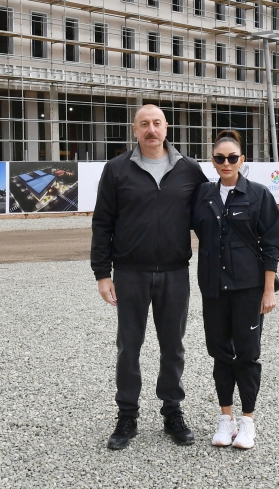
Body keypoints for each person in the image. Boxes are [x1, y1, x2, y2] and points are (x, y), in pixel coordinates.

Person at [91, 104, 208, 450]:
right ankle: (127, 416)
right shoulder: (116, 170)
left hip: (175, 272)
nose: (151, 129)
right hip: (131, 274)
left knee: (173, 347)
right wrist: (102, 273)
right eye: (144, 124)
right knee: (128, 348)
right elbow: (102, 223)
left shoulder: (189, 169)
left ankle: (172, 412)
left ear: (166, 128)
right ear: (135, 130)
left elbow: (208, 219)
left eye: (157, 123)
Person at [191, 129, 279, 449]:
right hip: (213, 288)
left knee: (247, 354)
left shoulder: (258, 194)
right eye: (220, 158)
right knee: (220, 354)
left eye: (232, 157)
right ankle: (225, 419)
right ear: (212, 161)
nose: (226, 163)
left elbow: (272, 244)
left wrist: (268, 290)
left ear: (242, 160)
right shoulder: (203, 195)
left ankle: (247, 422)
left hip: (248, 288)